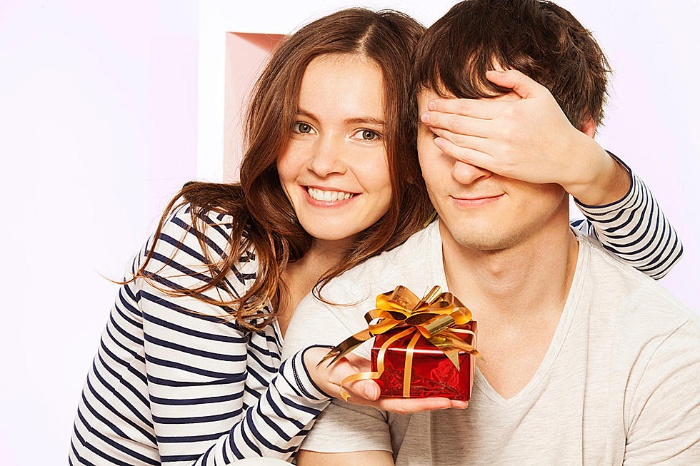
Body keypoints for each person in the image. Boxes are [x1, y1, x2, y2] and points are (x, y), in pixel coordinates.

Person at [69, 5, 685, 466]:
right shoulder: (212, 243)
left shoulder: (428, 236)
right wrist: (309, 380)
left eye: (366, 133)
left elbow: (645, 266)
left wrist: (583, 164)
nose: (323, 164)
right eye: (303, 125)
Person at [281, 1, 700, 465]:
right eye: (441, 134)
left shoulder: (664, 347)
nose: (463, 171)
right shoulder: (345, 323)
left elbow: (655, 256)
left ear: (577, 141)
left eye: (496, 140)